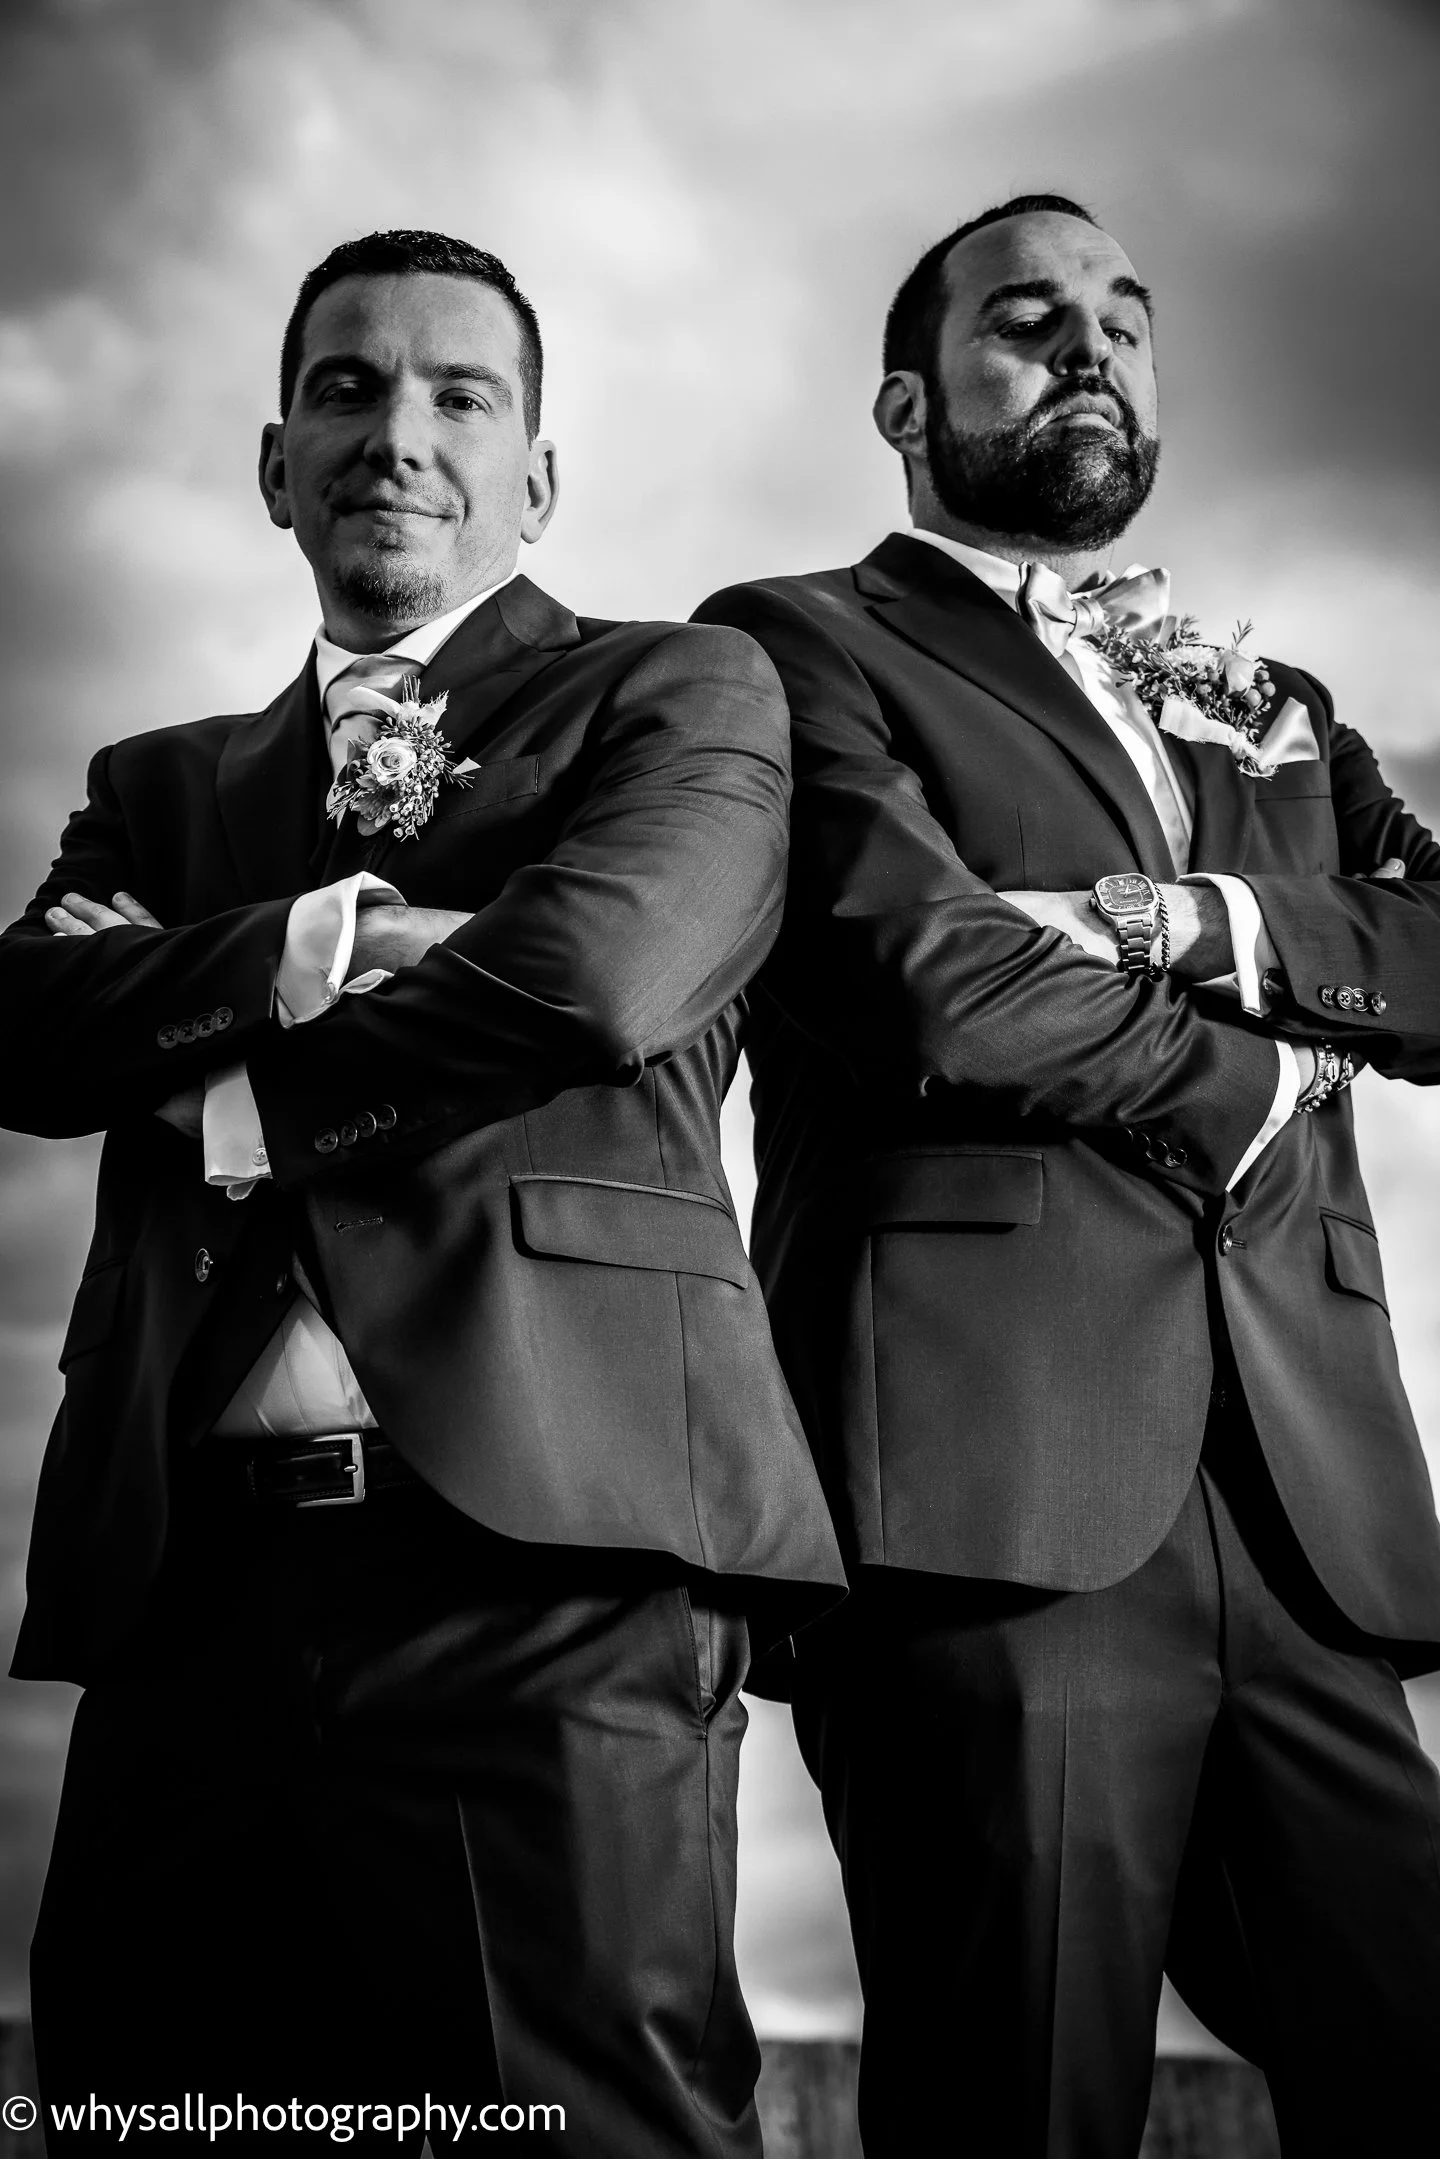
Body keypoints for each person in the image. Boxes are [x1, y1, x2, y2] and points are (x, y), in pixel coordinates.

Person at [1, 227, 843, 2156]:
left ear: (536, 476)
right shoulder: (161, 779)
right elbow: (24, 1033)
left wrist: (212, 1011)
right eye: (348, 388)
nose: (400, 431)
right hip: (186, 1592)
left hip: (551, 1570)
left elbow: (599, 975)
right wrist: (354, 937)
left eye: (462, 395)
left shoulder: (686, 693)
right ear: (277, 463)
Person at [695, 194, 1440, 2157]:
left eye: (1128, 316)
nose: (1091, 345)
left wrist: (1174, 916)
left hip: (1307, 1517)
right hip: (991, 1493)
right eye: (1028, 322)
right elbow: (925, 982)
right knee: (1021, 2109)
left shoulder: (1276, 710)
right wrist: (1276, 1060)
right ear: (906, 398)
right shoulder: (789, 645)